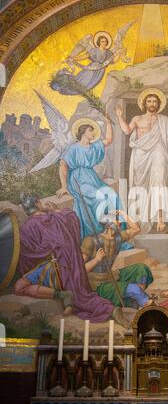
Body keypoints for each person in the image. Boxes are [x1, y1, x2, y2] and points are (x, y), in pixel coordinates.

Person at [15, 193, 131, 327]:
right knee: (82, 295)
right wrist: (55, 209)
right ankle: (67, 296)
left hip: (54, 269)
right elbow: (72, 217)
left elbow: (26, 256)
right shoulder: (56, 216)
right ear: (37, 203)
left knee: (20, 286)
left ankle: (63, 295)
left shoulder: (26, 228)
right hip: (73, 265)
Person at [116, 89, 168, 232]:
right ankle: (140, 222)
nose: (152, 104)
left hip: (159, 150)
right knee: (141, 188)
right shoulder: (137, 119)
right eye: (149, 101)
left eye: (154, 101)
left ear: (158, 104)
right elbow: (127, 131)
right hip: (140, 156)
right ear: (145, 103)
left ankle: (160, 219)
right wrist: (120, 117)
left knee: (160, 182)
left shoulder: (163, 119)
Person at [56, 118, 125, 239]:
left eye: (93, 131)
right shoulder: (74, 148)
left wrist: (109, 122)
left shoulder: (94, 146)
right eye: (90, 130)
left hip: (92, 178)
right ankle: (101, 230)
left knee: (112, 195)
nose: (93, 133)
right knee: (100, 197)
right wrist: (63, 186)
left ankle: (115, 230)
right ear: (83, 132)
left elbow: (108, 140)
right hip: (78, 179)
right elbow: (63, 165)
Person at [80, 210, 153, 308]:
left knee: (142, 269)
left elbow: (136, 229)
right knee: (134, 289)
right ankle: (144, 301)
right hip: (96, 285)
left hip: (110, 277)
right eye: (116, 221)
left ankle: (138, 298)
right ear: (109, 225)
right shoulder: (91, 240)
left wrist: (123, 213)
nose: (119, 223)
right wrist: (96, 260)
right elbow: (80, 269)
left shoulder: (118, 238)